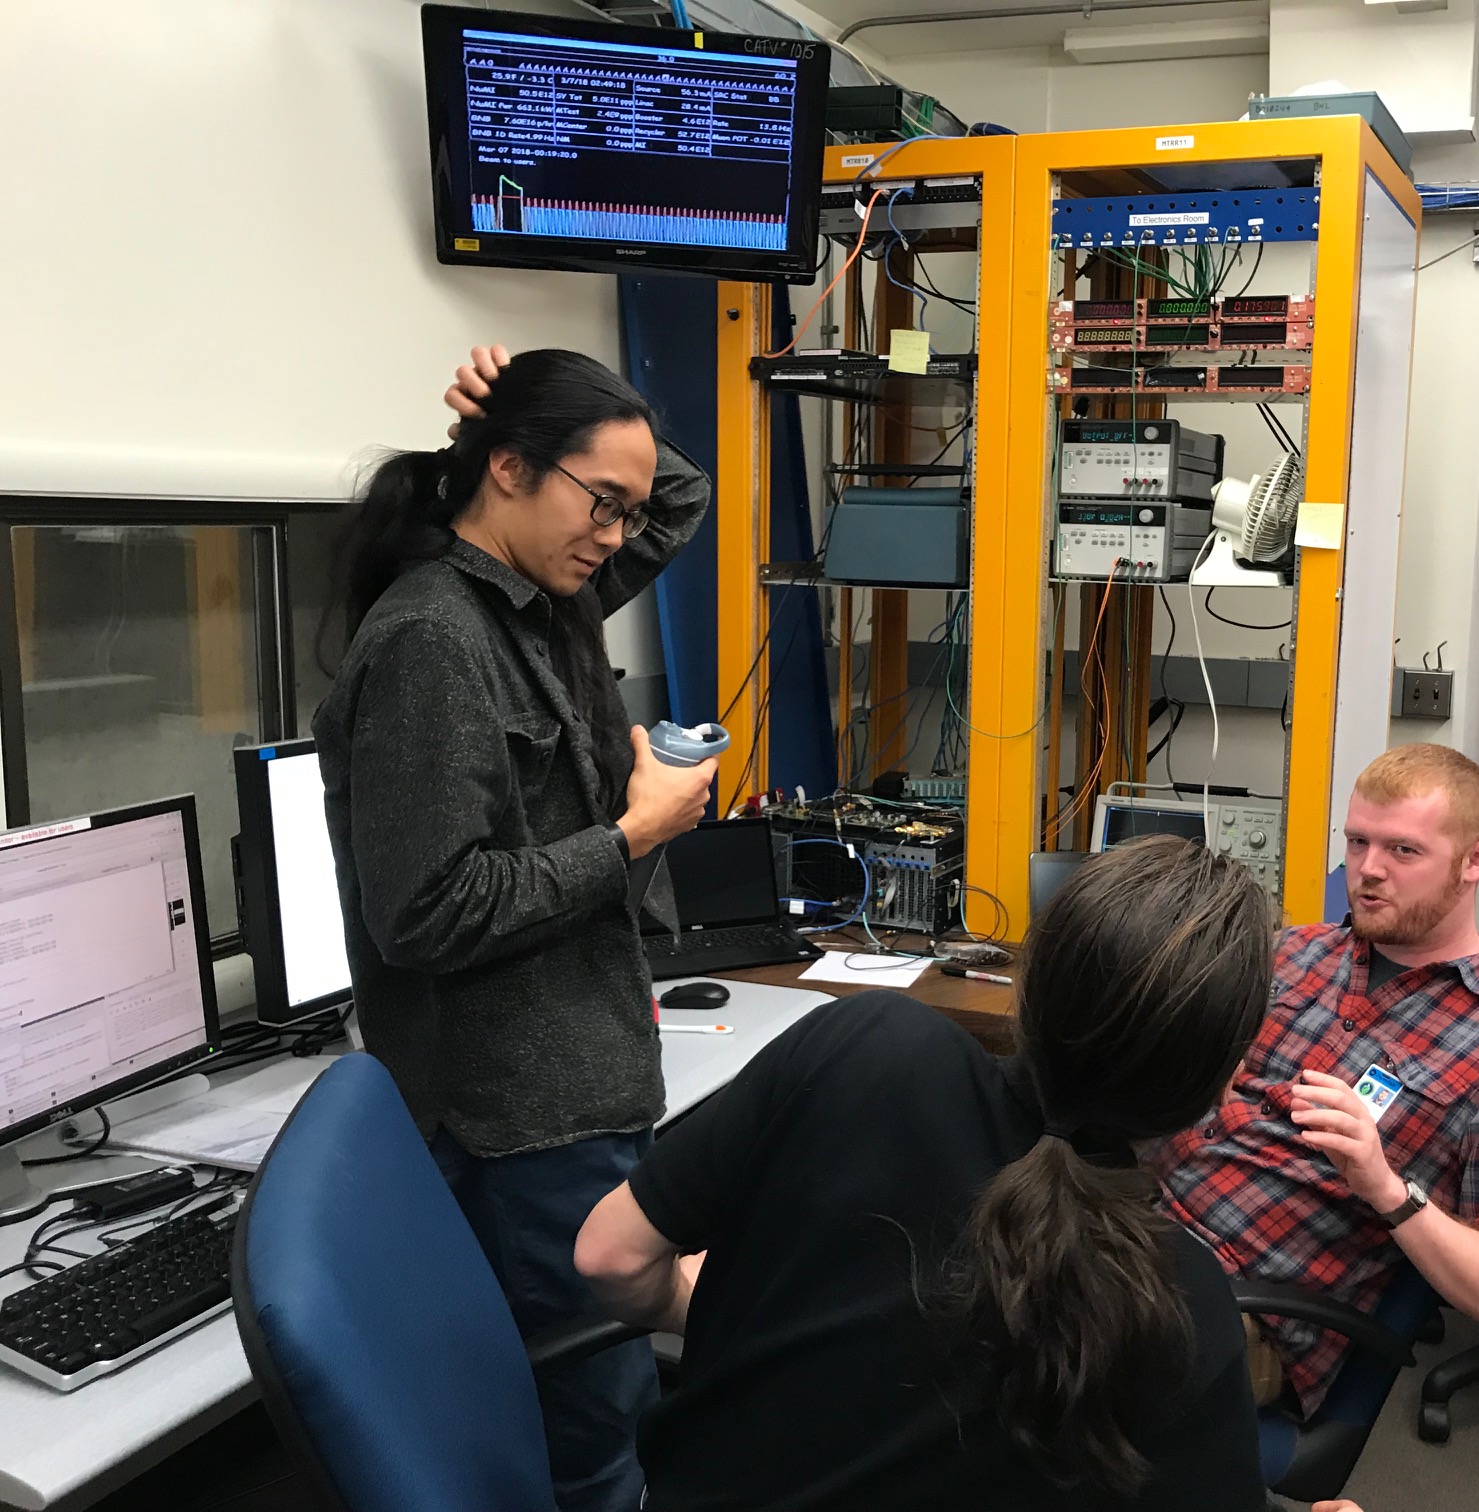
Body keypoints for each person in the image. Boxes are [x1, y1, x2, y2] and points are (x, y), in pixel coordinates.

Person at [573, 837, 1362, 1512]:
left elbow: (609, 1257)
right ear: (1221, 1083)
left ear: (1029, 984)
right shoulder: (1182, 1304)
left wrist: (721, 1310)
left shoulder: (866, 1041)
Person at [314, 345, 715, 1512]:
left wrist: (540, 416)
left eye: (623, 510)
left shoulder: (546, 596)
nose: (618, 532)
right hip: (518, 1122)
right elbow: (425, 911)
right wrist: (633, 837)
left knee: (611, 1420)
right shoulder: (434, 641)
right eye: (602, 503)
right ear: (508, 470)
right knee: (589, 1447)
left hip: (578, 1091)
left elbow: (679, 496)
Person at [1147, 743, 1479, 1418]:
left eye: (1403, 851)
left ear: (1476, 861)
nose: (1367, 870)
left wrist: (1384, 1184)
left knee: (1042, 1337)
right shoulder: (1294, 954)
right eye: (1357, 842)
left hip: (1244, 1311)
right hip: (1138, 1224)